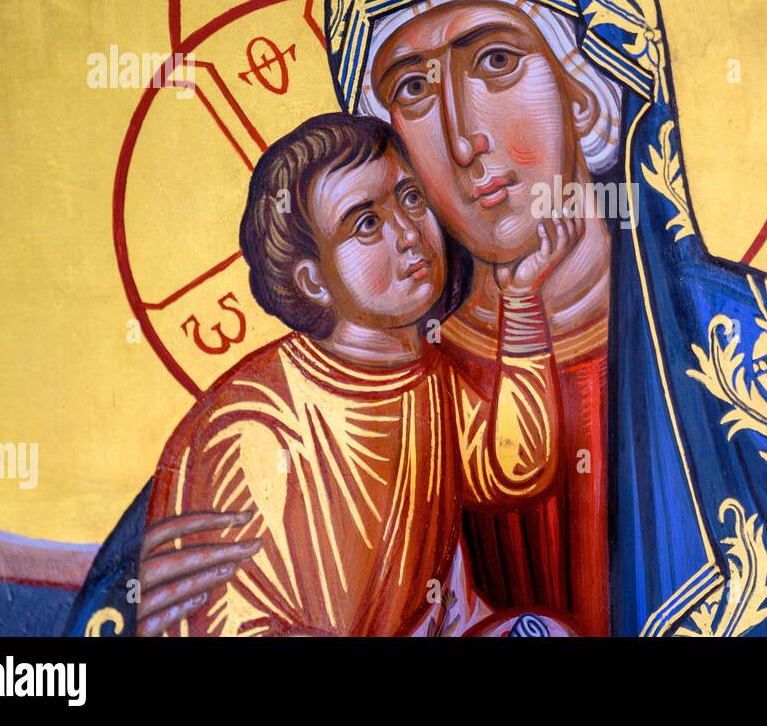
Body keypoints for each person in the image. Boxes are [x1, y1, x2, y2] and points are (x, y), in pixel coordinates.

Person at [70, 0, 767, 637]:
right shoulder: (322, 388)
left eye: (495, 61)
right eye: (412, 88)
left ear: (591, 94)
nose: (462, 139)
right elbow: (95, 642)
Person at [143, 112, 577, 636]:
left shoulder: (425, 377)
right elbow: (238, 628)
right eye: (366, 222)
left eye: (411, 198)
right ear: (313, 280)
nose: (408, 233)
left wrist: (523, 301)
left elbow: (511, 468)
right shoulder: (254, 429)